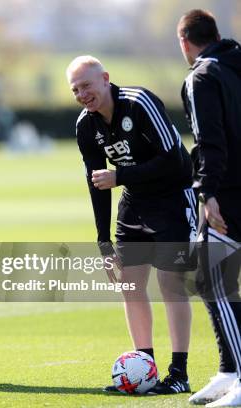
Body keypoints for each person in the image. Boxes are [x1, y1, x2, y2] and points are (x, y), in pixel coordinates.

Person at [66, 56, 197, 394]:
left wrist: (120, 175)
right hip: (135, 202)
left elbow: (173, 159)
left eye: (87, 85)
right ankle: (145, 369)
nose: (82, 94)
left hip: (172, 198)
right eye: (75, 89)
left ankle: (179, 374)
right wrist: (102, 242)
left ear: (105, 79)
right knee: (130, 286)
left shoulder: (139, 103)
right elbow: (97, 183)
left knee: (171, 285)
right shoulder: (85, 125)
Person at [178, 10, 241, 407]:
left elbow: (209, 139)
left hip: (229, 191)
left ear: (184, 41)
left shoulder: (200, 76)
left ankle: (239, 375)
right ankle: (228, 370)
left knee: (213, 279)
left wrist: (207, 191)